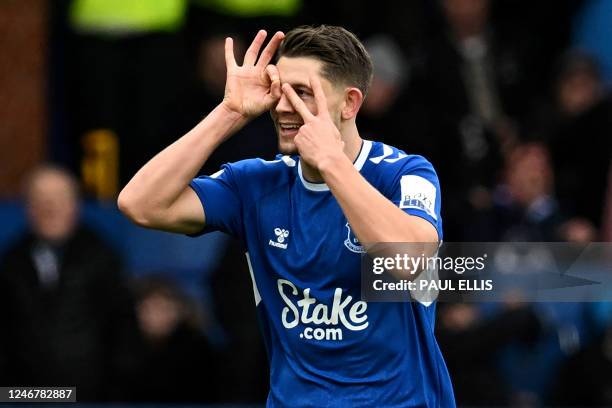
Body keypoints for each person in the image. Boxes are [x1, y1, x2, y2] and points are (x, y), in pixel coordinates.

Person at [118, 25, 455, 407]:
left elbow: (409, 259)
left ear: (349, 104)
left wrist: (331, 164)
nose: (281, 106)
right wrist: (228, 113)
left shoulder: (405, 173)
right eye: (279, 91)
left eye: (302, 93)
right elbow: (141, 203)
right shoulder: (256, 185)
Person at [0, 165, 140, 401]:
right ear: (27, 208)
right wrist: (10, 395)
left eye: (58, 199)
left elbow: (124, 333)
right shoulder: (11, 262)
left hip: (90, 396)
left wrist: (112, 395)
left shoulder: (103, 258)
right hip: (26, 397)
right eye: (41, 199)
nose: (50, 207)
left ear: (75, 205)